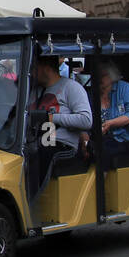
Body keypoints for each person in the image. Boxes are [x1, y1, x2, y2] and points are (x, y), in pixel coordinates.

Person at [30, 55, 93, 190]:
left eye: (35, 67)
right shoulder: (35, 91)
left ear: (46, 68)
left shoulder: (71, 87)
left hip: (60, 142)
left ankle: (31, 199)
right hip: (36, 139)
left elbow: (86, 120)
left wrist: (52, 118)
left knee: (40, 152)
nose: (32, 72)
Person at [95, 60, 129, 165]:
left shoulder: (123, 88)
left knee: (102, 151)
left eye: (102, 75)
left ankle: (102, 179)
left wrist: (110, 123)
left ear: (112, 76)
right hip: (99, 139)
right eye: (96, 74)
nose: (98, 78)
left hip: (123, 139)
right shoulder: (92, 92)